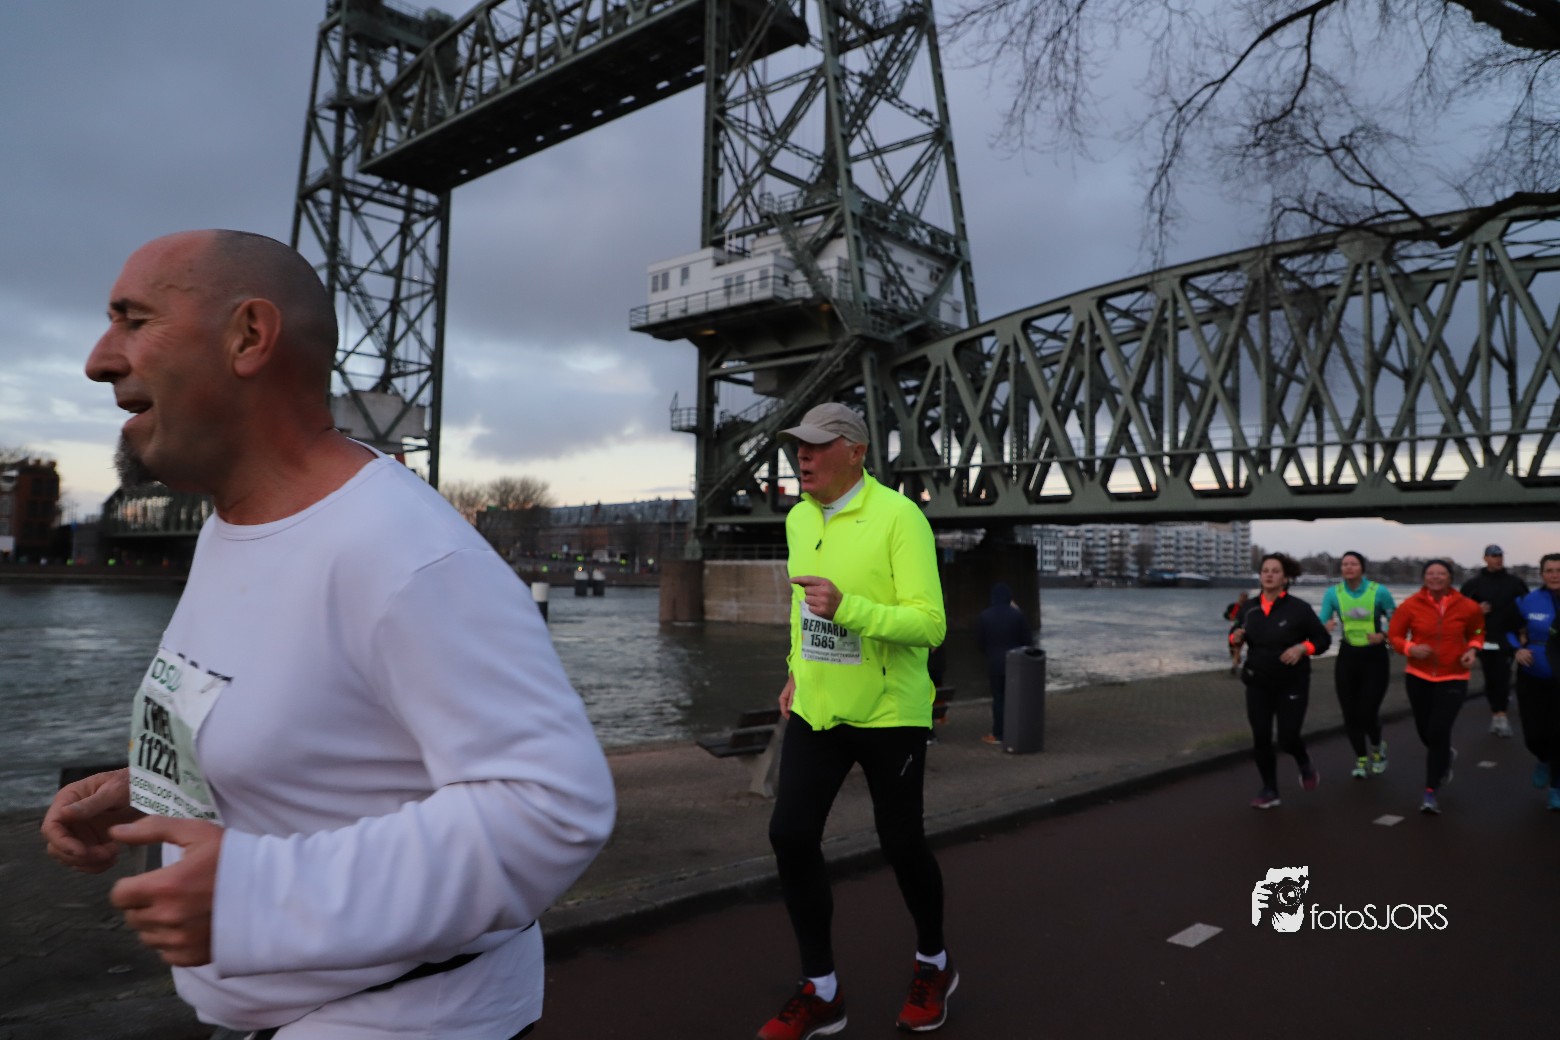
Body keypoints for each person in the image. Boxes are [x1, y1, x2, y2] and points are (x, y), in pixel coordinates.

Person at [40, 231, 616, 1038]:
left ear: (249, 336)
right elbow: (309, 735)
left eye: (133, 320)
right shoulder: (237, 526)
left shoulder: (405, 554)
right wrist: (150, 783)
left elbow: (550, 808)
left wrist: (258, 895)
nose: (99, 360)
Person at [760, 402, 954, 1039]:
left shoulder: (900, 517)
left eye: (818, 445)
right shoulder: (798, 518)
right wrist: (795, 668)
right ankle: (822, 991)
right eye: (799, 445)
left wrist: (850, 609)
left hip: (890, 712)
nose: (803, 455)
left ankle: (934, 963)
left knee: (900, 843)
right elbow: (801, 611)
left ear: (856, 452)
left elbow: (930, 624)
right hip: (820, 709)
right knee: (790, 835)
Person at [1229, 553, 1331, 809]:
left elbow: (1322, 639)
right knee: (1261, 737)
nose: (1269, 575)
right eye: (1265, 570)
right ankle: (1270, 790)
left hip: (1291, 682)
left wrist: (1302, 648)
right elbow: (1235, 634)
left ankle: (1303, 760)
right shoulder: (1249, 608)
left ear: (1285, 578)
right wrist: (1235, 638)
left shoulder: (1299, 608)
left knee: (1287, 738)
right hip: (1258, 682)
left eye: (1275, 571)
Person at [1389, 559, 1484, 815]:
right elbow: (1395, 635)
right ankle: (1445, 755)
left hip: (1454, 676)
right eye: (1430, 573)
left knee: (1438, 730)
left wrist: (1472, 649)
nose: (1435, 577)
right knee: (1426, 732)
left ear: (1450, 578)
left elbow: (1477, 631)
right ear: (1424, 578)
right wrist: (1410, 648)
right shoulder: (1410, 605)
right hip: (1418, 676)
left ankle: (1430, 791)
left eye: (1441, 573)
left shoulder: (1467, 606)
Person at [1318, 552, 1396, 778]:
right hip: (1348, 655)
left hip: (1375, 657)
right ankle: (1361, 758)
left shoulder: (1379, 592)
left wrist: (1383, 635)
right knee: (1349, 713)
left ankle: (1377, 749)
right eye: (1345, 564)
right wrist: (1325, 626)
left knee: (1368, 712)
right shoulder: (1333, 593)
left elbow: (1396, 620)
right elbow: (1321, 620)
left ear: (1362, 568)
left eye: (1353, 564)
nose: (1348, 567)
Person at [1507, 553, 1560, 811]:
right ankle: (1542, 758)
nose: (1555, 575)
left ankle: (1556, 788)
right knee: (1534, 733)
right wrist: (1517, 649)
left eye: (1559, 570)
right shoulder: (1528, 600)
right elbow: (1508, 629)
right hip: (1532, 676)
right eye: (1549, 570)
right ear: (1541, 574)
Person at [1459, 544, 1528, 737]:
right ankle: (1496, 712)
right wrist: (1476, 610)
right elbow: (1458, 611)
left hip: (1509, 636)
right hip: (1483, 636)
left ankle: (1501, 716)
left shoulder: (1515, 583)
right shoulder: (1473, 584)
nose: (1498, 559)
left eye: (1500, 555)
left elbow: (1526, 608)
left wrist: (1524, 632)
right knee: (1491, 676)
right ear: (1485, 558)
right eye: (1493, 556)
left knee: (1503, 675)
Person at [976, 581, 1034, 745]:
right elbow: (1027, 640)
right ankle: (1015, 731)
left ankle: (998, 734)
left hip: (995, 664)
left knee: (998, 699)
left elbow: (980, 642)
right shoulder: (1017, 615)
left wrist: (990, 654)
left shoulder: (985, 616)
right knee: (1015, 698)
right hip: (1016, 664)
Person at [1223, 591, 1250, 675]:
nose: (1243, 599)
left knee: (1237, 648)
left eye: (1245, 597)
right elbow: (1226, 615)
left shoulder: (1249, 607)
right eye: (1242, 597)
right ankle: (1236, 661)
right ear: (1239, 597)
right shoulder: (1233, 606)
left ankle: (1235, 665)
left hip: (1246, 630)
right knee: (1233, 648)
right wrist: (1229, 617)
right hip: (1234, 629)